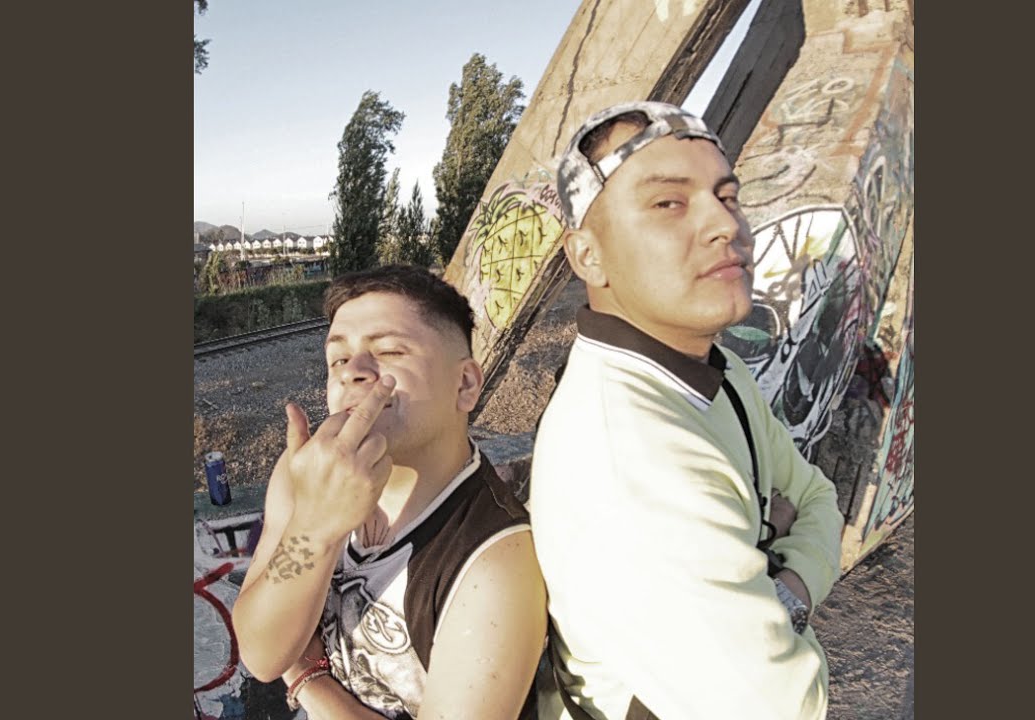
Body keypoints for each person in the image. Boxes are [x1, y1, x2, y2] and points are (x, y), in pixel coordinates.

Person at [529, 102, 844, 720]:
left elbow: (818, 498)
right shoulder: (631, 454)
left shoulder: (716, 372)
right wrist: (776, 553)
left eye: (728, 197)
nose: (726, 225)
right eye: (669, 202)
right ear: (588, 255)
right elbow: (783, 705)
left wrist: (776, 591)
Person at [232, 265, 547, 720]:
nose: (353, 373)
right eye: (338, 359)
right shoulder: (306, 472)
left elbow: (286, 661)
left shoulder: (494, 563)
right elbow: (262, 655)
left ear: (465, 384)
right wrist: (316, 528)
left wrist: (309, 681)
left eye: (389, 351)